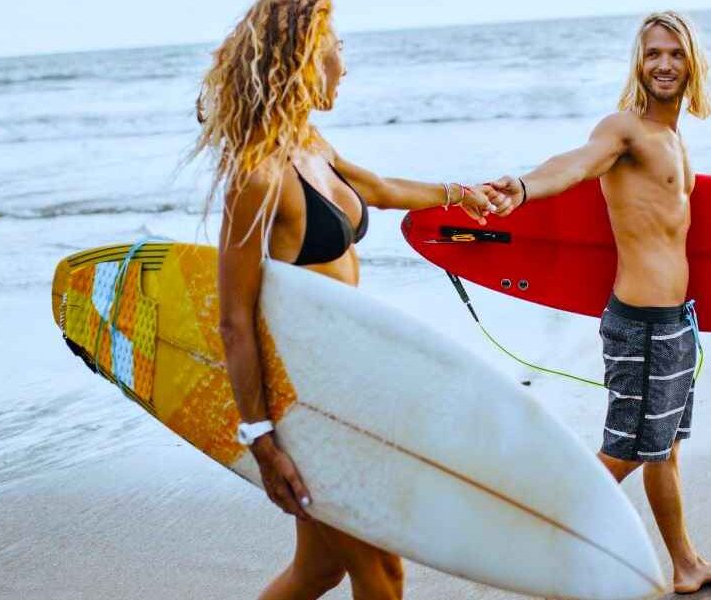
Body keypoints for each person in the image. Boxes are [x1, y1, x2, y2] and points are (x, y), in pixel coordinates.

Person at [191, 1, 507, 598]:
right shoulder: (255, 175)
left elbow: (379, 189)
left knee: (318, 569)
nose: (345, 66)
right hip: (309, 404)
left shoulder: (309, 144)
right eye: (337, 50)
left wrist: (459, 194)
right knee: (381, 571)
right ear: (304, 59)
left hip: (350, 387)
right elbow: (234, 319)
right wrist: (261, 440)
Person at [484, 11, 711, 594]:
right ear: (638, 63)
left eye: (675, 53)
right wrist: (523, 187)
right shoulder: (623, 131)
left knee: (665, 449)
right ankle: (529, 544)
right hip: (642, 327)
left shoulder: (675, 139)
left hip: (676, 323)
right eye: (652, 53)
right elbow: (573, 165)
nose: (664, 64)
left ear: (693, 62)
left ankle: (685, 564)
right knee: (624, 451)